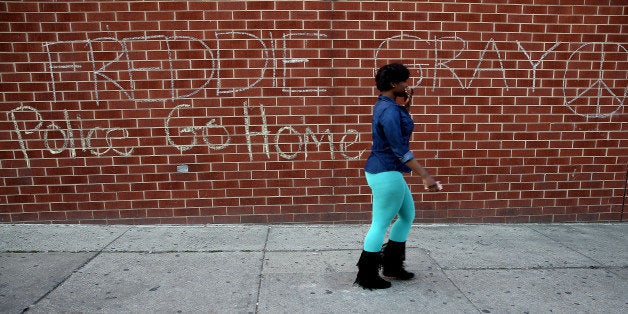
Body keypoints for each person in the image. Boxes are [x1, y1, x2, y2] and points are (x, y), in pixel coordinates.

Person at [355, 62, 442, 290]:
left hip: (387, 171)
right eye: (404, 81)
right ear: (394, 84)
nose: (407, 85)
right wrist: (425, 175)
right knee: (380, 224)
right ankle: (368, 276)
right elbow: (400, 148)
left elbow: (398, 129)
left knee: (407, 215)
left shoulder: (387, 105)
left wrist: (407, 104)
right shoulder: (390, 110)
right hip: (385, 172)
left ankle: (392, 266)